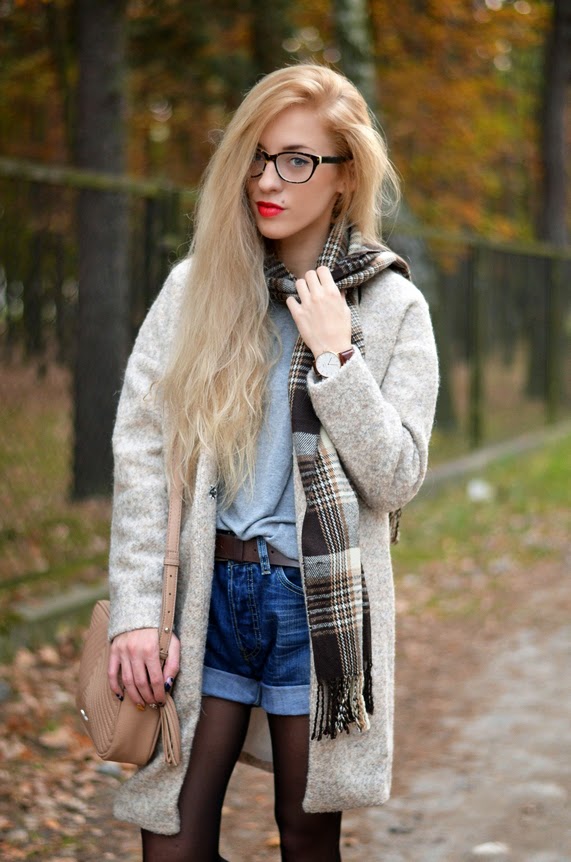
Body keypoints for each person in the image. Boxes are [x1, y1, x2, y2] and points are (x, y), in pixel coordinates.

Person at [106, 63, 439, 862]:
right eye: (257, 157)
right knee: (171, 840)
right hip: (205, 599)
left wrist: (335, 357)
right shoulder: (197, 288)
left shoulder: (390, 306)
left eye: (297, 160)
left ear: (344, 173)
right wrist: (135, 611)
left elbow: (395, 479)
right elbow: (144, 452)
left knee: (304, 837)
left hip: (313, 608)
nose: (268, 179)